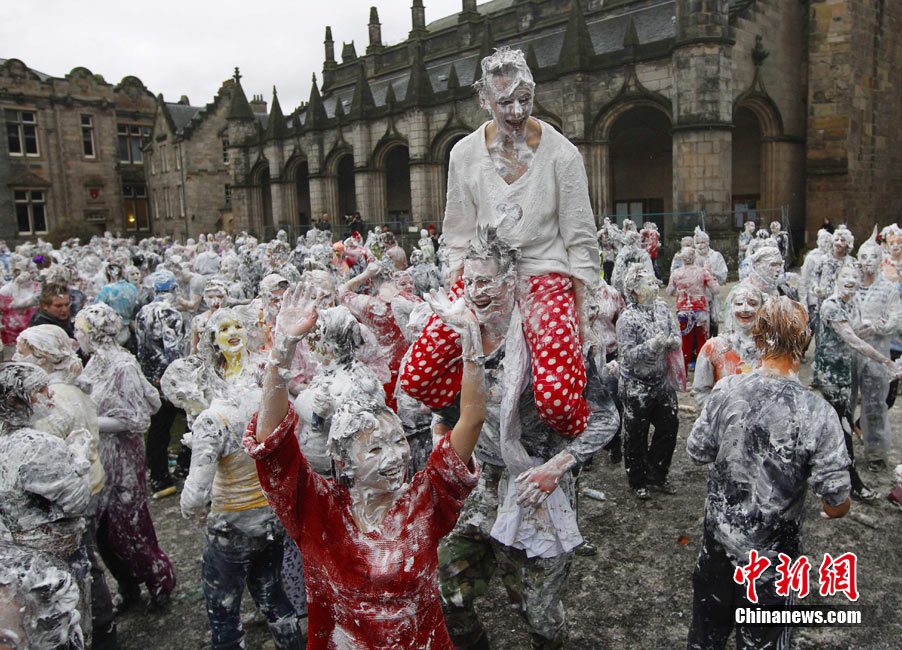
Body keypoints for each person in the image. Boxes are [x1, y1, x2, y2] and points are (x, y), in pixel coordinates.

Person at [399, 235, 618, 649]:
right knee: (445, 590)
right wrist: (442, 430)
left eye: (486, 281)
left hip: (537, 488)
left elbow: (607, 419)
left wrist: (558, 466)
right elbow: (450, 405)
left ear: (512, 281)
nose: (476, 292)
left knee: (539, 613)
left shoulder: (553, 341)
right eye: (469, 282)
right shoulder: (457, 333)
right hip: (482, 486)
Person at [244, 282, 486, 650]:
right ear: (342, 462)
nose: (394, 457)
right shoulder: (315, 510)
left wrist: (471, 341)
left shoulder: (425, 500)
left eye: (398, 441)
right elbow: (272, 445)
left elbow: (471, 420)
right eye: (374, 449)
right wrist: (282, 349)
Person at [441, 46, 600, 438]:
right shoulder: (464, 154)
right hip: (484, 278)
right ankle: (472, 431)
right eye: (504, 102)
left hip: (544, 277)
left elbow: (581, 240)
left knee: (558, 401)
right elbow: (457, 233)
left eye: (524, 99)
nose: (516, 112)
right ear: (484, 100)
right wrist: (457, 295)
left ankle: (578, 437)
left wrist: (583, 321)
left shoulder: (562, 154)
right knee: (420, 373)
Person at [686, 297, 852, 650]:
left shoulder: (727, 390)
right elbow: (836, 502)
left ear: (759, 337)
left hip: (718, 548)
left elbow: (696, 451)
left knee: (705, 638)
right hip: (772, 563)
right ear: (803, 341)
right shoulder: (817, 413)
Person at [162, 354, 305, 650]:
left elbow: (195, 496)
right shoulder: (255, 398)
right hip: (270, 517)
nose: (186, 410)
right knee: (272, 594)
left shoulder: (211, 419)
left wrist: (190, 507)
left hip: (232, 526)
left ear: (192, 391)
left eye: (182, 402)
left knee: (224, 612)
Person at [74, 303, 176, 611]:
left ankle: (159, 582)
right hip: (99, 456)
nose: (76, 336)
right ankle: (128, 586)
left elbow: (139, 418)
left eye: (79, 331)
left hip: (124, 458)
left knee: (130, 525)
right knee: (103, 530)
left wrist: (89, 421)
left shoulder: (123, 365)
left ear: (93, 333)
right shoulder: (94, 362)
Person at [616, 263, 681, 500]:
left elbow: (677, 335)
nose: (655, 286)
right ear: (635, 290)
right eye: (649, 283)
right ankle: (638, 480)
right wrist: (651, 345)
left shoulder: (662, 308)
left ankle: (658, 474)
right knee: (636, 433)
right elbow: (627, 355)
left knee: (669, 427)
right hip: (636, 384)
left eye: (655, 281)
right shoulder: (627, 318)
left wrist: (672, 342)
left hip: (661, 381)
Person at [134, 269, 186, 498]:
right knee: (190, 419)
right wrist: (181, 375)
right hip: (168, 378)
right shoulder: (171, 313)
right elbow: (172, 349)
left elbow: (141, 347)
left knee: (157, 428)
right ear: (174, 289)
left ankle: (158, 475)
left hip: (148, 376)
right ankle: (181, 467)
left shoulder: (142, 312)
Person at [853, 231, 902, 472]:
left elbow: (896, 317)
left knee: (875, 404)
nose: (868, 262)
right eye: (863, 257)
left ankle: (875, 453)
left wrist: (879, 326)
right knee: (845, 403)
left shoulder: (888, 288)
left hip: (877, 352)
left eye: (873, 257)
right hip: (849, 353)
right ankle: (843, 451)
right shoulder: (849, 284)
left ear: (880, 259)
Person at [692, 283, 763, 409]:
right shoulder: (714, 347)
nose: (745, 309)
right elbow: (701, 391)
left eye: (752, 303)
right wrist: (721, 413)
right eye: (739, 303)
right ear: (731, 308)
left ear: (762, 308)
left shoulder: (773, 348)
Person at [666, 247, 720, 372]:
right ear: (694, 257)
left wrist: (681, 289)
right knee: (702, 341)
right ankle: (702, 371)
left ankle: (683, 373)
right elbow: (716, 289)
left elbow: (669, 292)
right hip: (701, 309)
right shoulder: (702, 272)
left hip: (683, 310)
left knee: (686, 343)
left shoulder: (676, 273)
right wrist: (711, 274)